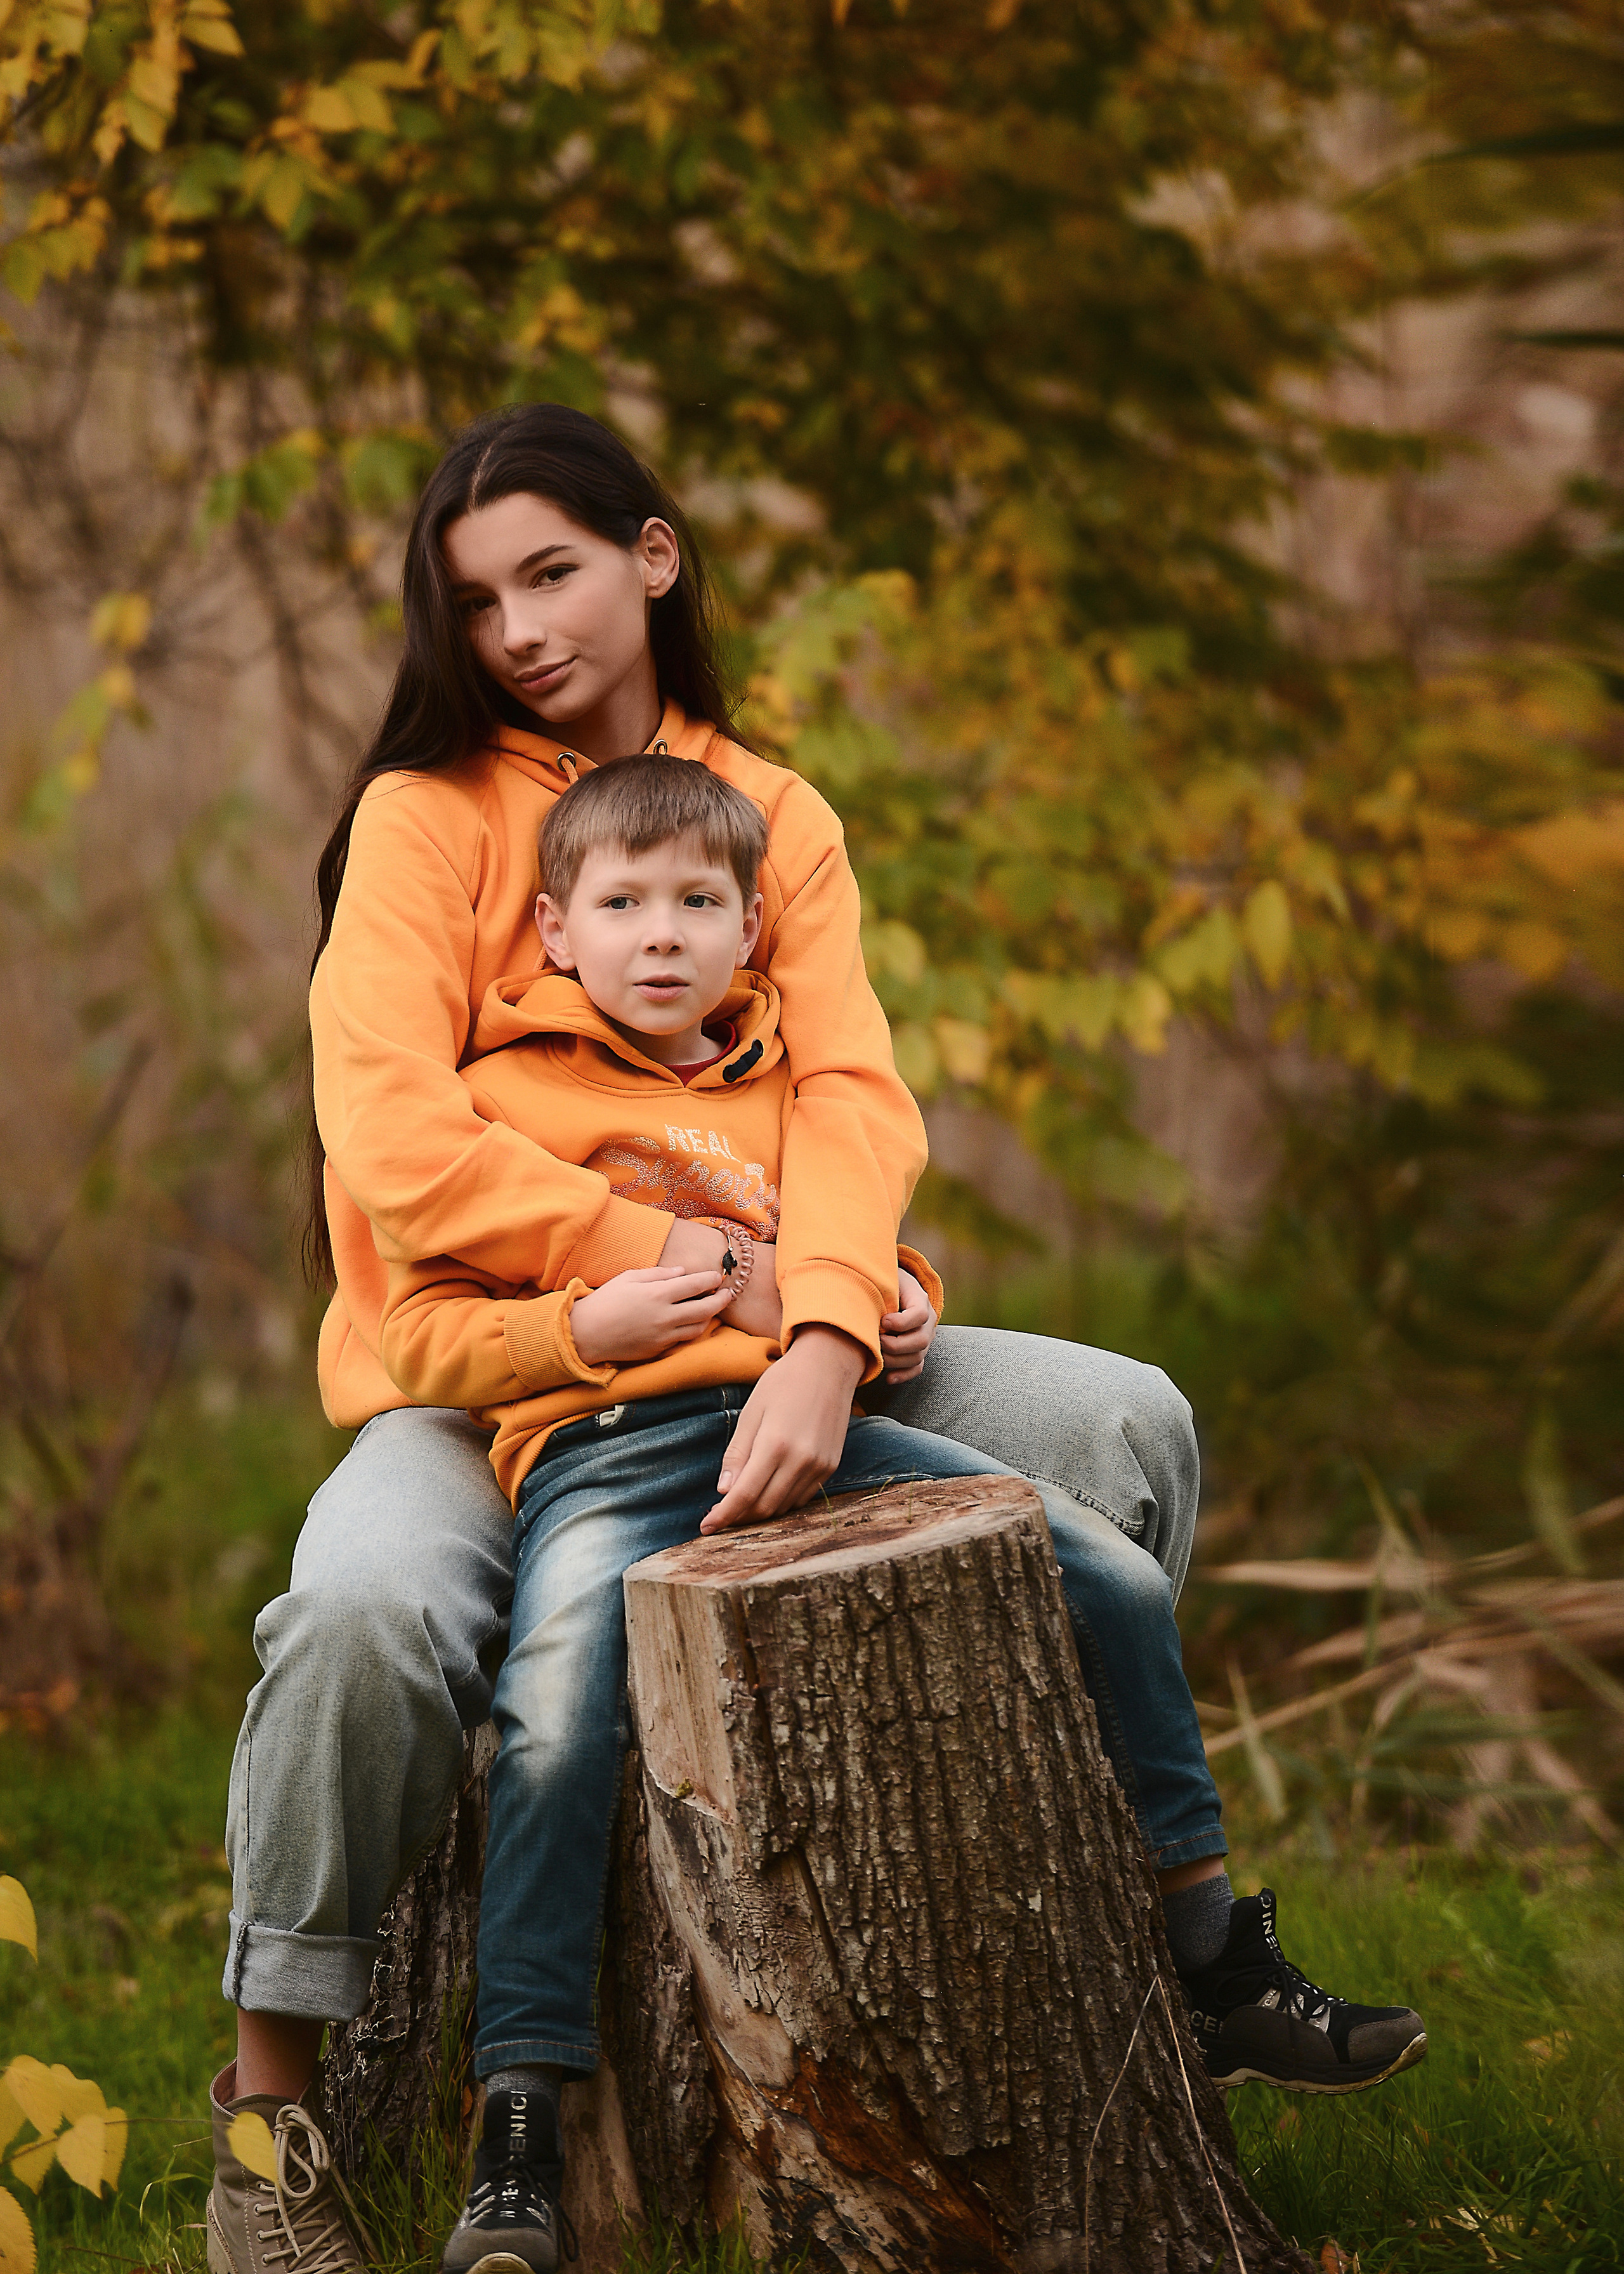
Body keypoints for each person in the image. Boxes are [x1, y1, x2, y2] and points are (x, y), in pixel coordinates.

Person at [205, 406, 1426, 2274]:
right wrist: (706, 1276)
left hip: (774, 1341)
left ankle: (1095, 1961)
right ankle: (274, 2114)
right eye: (479, 600)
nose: (520, 628)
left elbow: (852, 1106)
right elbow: (392, 1145)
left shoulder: (775, 811)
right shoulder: (428, 816)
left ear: (654, 558)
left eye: (554, 572)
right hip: (495, 1376)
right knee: (368, 1619)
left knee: (1123, 1428)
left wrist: (834, 1325)